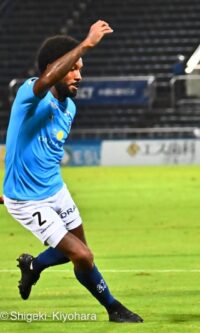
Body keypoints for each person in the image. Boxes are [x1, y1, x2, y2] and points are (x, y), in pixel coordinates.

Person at [1, 21, 143, 323]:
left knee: (78, 252)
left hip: (56, 191)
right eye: (73, 68)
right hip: (28, 201)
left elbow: (41, 155)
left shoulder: (69, 108)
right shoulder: (29, 95)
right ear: (55, 67)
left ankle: (34, 267)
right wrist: (86, 43)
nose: (79, 74)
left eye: (80, 67)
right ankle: (113, 308)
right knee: (83, 256)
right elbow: (45, 80)